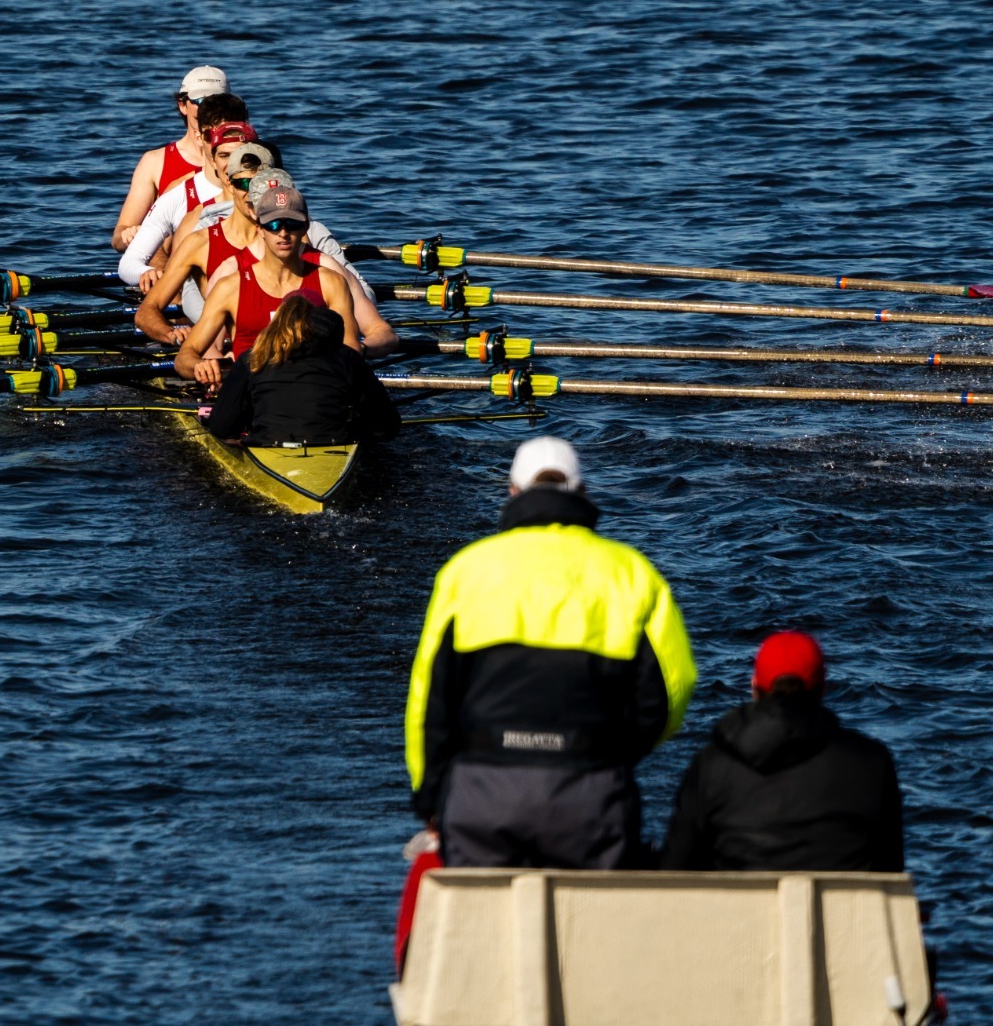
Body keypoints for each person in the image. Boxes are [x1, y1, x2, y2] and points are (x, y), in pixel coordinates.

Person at [405, 437, 696, 869]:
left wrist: (430, 798)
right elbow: (671, 692)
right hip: (590, 790)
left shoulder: (466, 570)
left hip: (483, 792)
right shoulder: (632, 573)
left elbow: (429, 700)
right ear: (581, 492)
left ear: (513, 493)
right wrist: (612, 756)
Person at [128, 129, 398, 353]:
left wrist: (356, 351)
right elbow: (147, 312)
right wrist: (176, 337)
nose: (251, 194)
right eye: (243, 184)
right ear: (226, 183)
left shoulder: (309, 245)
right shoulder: (204, 245)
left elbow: (373, 325)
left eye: (260, 183)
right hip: (231, 354)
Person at [661, 631, 905, 872]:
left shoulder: (711, 766)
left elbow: (676, 869)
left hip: (738, 910)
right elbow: (891, 869)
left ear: (754, 687)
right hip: (846, 911)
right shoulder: (872, 763)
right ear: (822, 688)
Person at [174, 185, 359, 386]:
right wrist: (199, 366)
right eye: (273, 224)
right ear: (259, 229)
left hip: (313, 388)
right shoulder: (230, 287)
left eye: (292, 224)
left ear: (305, 227)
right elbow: (185, 357)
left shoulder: (331, 282)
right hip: (253, 391)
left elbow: (351, 350)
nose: (283, 233)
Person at [203, 294, 400, 447]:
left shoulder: (253, 358)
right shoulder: (348, 357)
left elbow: (220, 427)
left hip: (267, 444)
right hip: (335, 444)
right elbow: (387, 427)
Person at [111, 66, 227, 251]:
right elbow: (118, 238)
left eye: (215, 102)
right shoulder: (154, 162)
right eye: (200, 101)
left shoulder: (248, 157)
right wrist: (129, 234)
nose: (207, 109)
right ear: (183, 105)